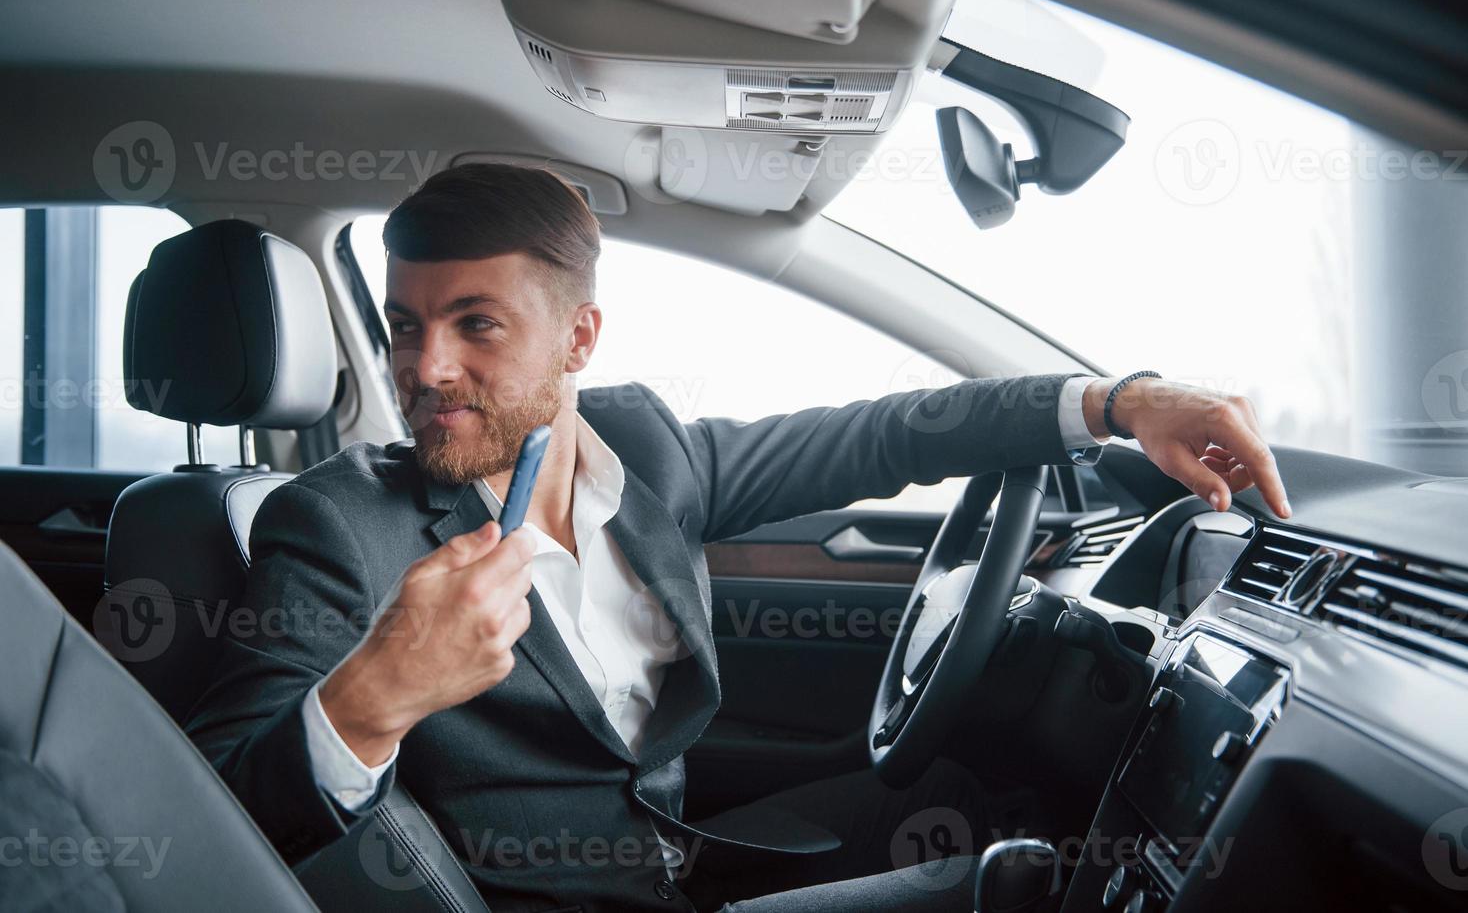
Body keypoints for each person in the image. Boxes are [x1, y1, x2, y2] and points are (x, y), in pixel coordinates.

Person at [186, 163, 1290, 912]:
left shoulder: (648, 450)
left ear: (578, 337)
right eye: (405, 326)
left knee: (992, 809)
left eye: (476, 324)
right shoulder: (337, 523)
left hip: (683, 867)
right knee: (1030, 888)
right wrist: (375, 694)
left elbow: (879, 434)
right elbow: (217, 811)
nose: (426, 369)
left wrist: (1119, 399)